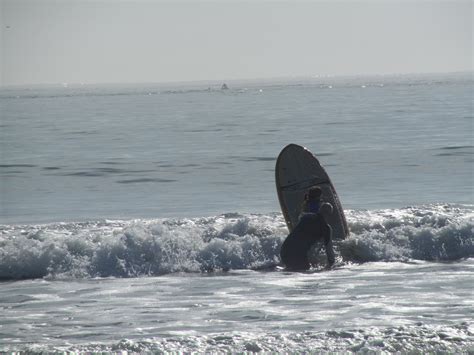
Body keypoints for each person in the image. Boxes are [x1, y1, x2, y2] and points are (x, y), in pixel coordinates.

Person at [280, 201, 335, 270]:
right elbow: (329, 250)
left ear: (319, 210)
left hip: (284, 250)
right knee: (304, 271)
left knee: (291, 271)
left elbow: (301, 217)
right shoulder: (326, 229)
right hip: (296, 254)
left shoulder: (306, 217)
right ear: (329, 215)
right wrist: (332, 266)